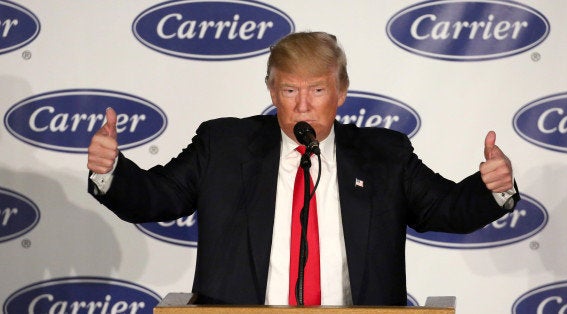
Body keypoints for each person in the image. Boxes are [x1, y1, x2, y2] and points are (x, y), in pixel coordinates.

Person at [87, 31, 518, 306]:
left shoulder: (384, 154)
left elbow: (444, 208)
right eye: (290, 89)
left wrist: (490, 188)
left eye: (317, 89)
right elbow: (157, 197)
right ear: (272, 91)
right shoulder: (223, 145)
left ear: (341, 92)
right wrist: (113, 171)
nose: (304, 104)